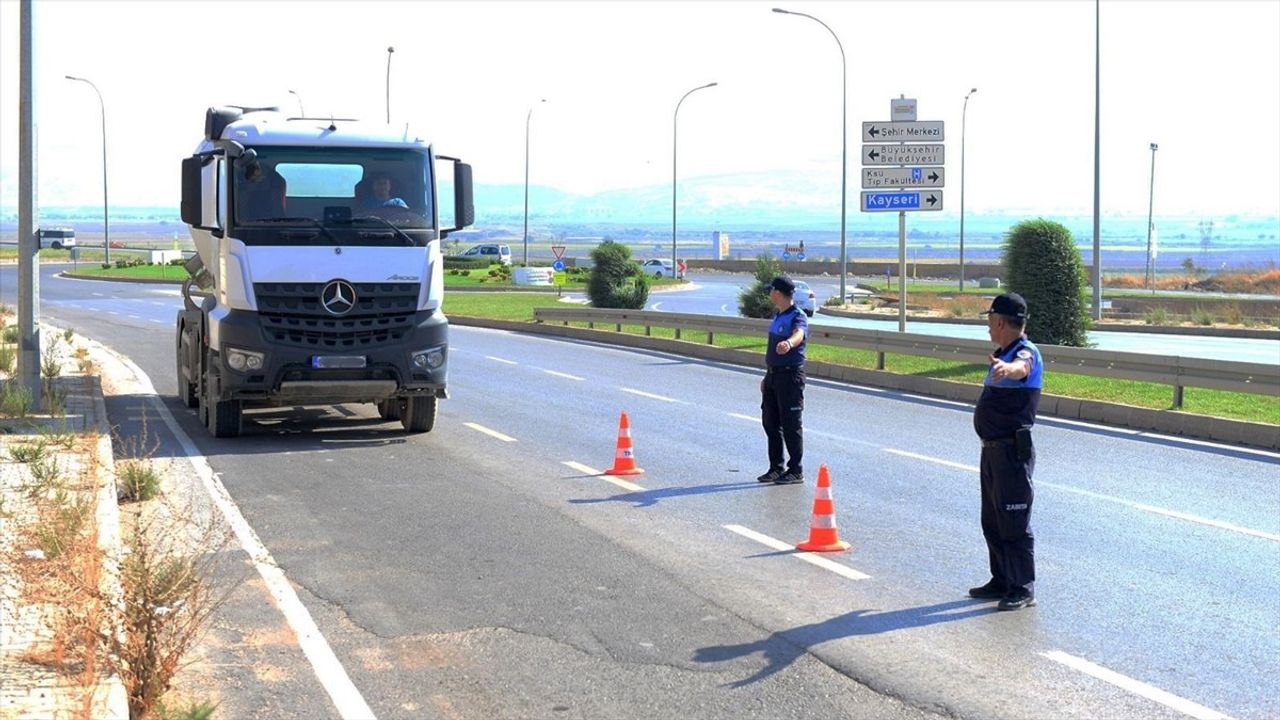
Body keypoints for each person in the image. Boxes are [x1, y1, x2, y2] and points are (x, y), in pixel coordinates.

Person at [968, 292, 1043, 611]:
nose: (988, 328)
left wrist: (1007, 369)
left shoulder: (1024, 352)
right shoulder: (1004, 352)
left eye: (989, 321)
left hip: (1012, 451)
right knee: (993, 519)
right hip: (993, 451)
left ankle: (1022, 587)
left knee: (1013, 519)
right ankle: (1001, 579)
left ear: (999, 321)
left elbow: (1021, 368)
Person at [757, 276, 808, 485]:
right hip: (774, 375)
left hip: (790, 377)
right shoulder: (778, 316)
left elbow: (799, 333)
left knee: (790, 424)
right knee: (770, 422)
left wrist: (789, 343)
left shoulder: (797, 316)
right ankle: (776, 467)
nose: (769, 294)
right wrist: (767, 376)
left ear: (777, 293)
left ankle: (795, 469)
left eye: (771, 291)